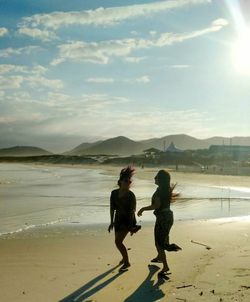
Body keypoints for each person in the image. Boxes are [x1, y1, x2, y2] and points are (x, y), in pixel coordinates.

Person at [137, 169, 181, 277]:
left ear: (160, 180)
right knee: (161, 240)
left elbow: (156, 206)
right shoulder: (165, 189)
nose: (154, 178)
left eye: (156, 177)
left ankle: (165, 266)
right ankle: (159, 257)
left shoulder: (160, 191)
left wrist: (142, 209)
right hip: (168, 217)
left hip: (163, 218)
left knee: (159, 243)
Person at [108, 166, 141, 271]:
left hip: (127, 220)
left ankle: (127, 262)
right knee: (118, 242)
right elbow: (112, 208)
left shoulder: (131, 195)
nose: (128, 183)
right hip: (117, 219)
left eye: (129, 181)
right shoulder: (114, 193)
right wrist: (111, 222)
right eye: (126, 181)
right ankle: (124, 258)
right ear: (120, 181)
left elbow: (132, 212)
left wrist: (131, 226)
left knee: (118, 242)